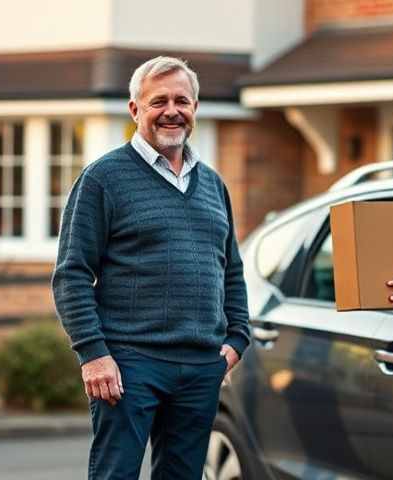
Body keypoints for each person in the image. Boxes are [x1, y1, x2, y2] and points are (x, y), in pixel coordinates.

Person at [51, 56, 250, 479]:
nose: (172, 111)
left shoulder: (213, 184)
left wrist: (236, 338)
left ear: (195, 108)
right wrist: (94, 354)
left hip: (200, 365)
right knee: (115, 474)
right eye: (158, 101)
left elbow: (230, 268)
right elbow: (71, 273)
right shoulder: (103, 179)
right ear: (135, 109)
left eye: (182, 100)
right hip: (128, 363)